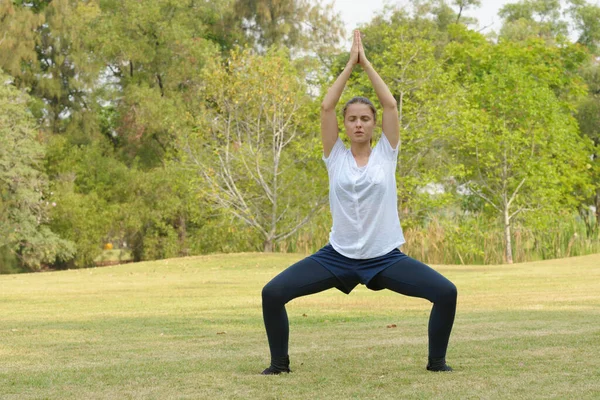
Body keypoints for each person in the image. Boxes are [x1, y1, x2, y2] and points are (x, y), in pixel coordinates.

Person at [260, 30, 457, 375]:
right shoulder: (334, 156)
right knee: (272, 293)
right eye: (352, 119)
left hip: (384, 258)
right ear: (345, 126)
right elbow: (325, 106)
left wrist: (366, 63)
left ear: (374, 124)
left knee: (446, 292)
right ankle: (279, 366)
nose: (358, 123)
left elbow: (390, 104)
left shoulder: (387, 154)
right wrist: (348, 66)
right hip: (338, 256)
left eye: (365, 118)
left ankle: (437, 364)